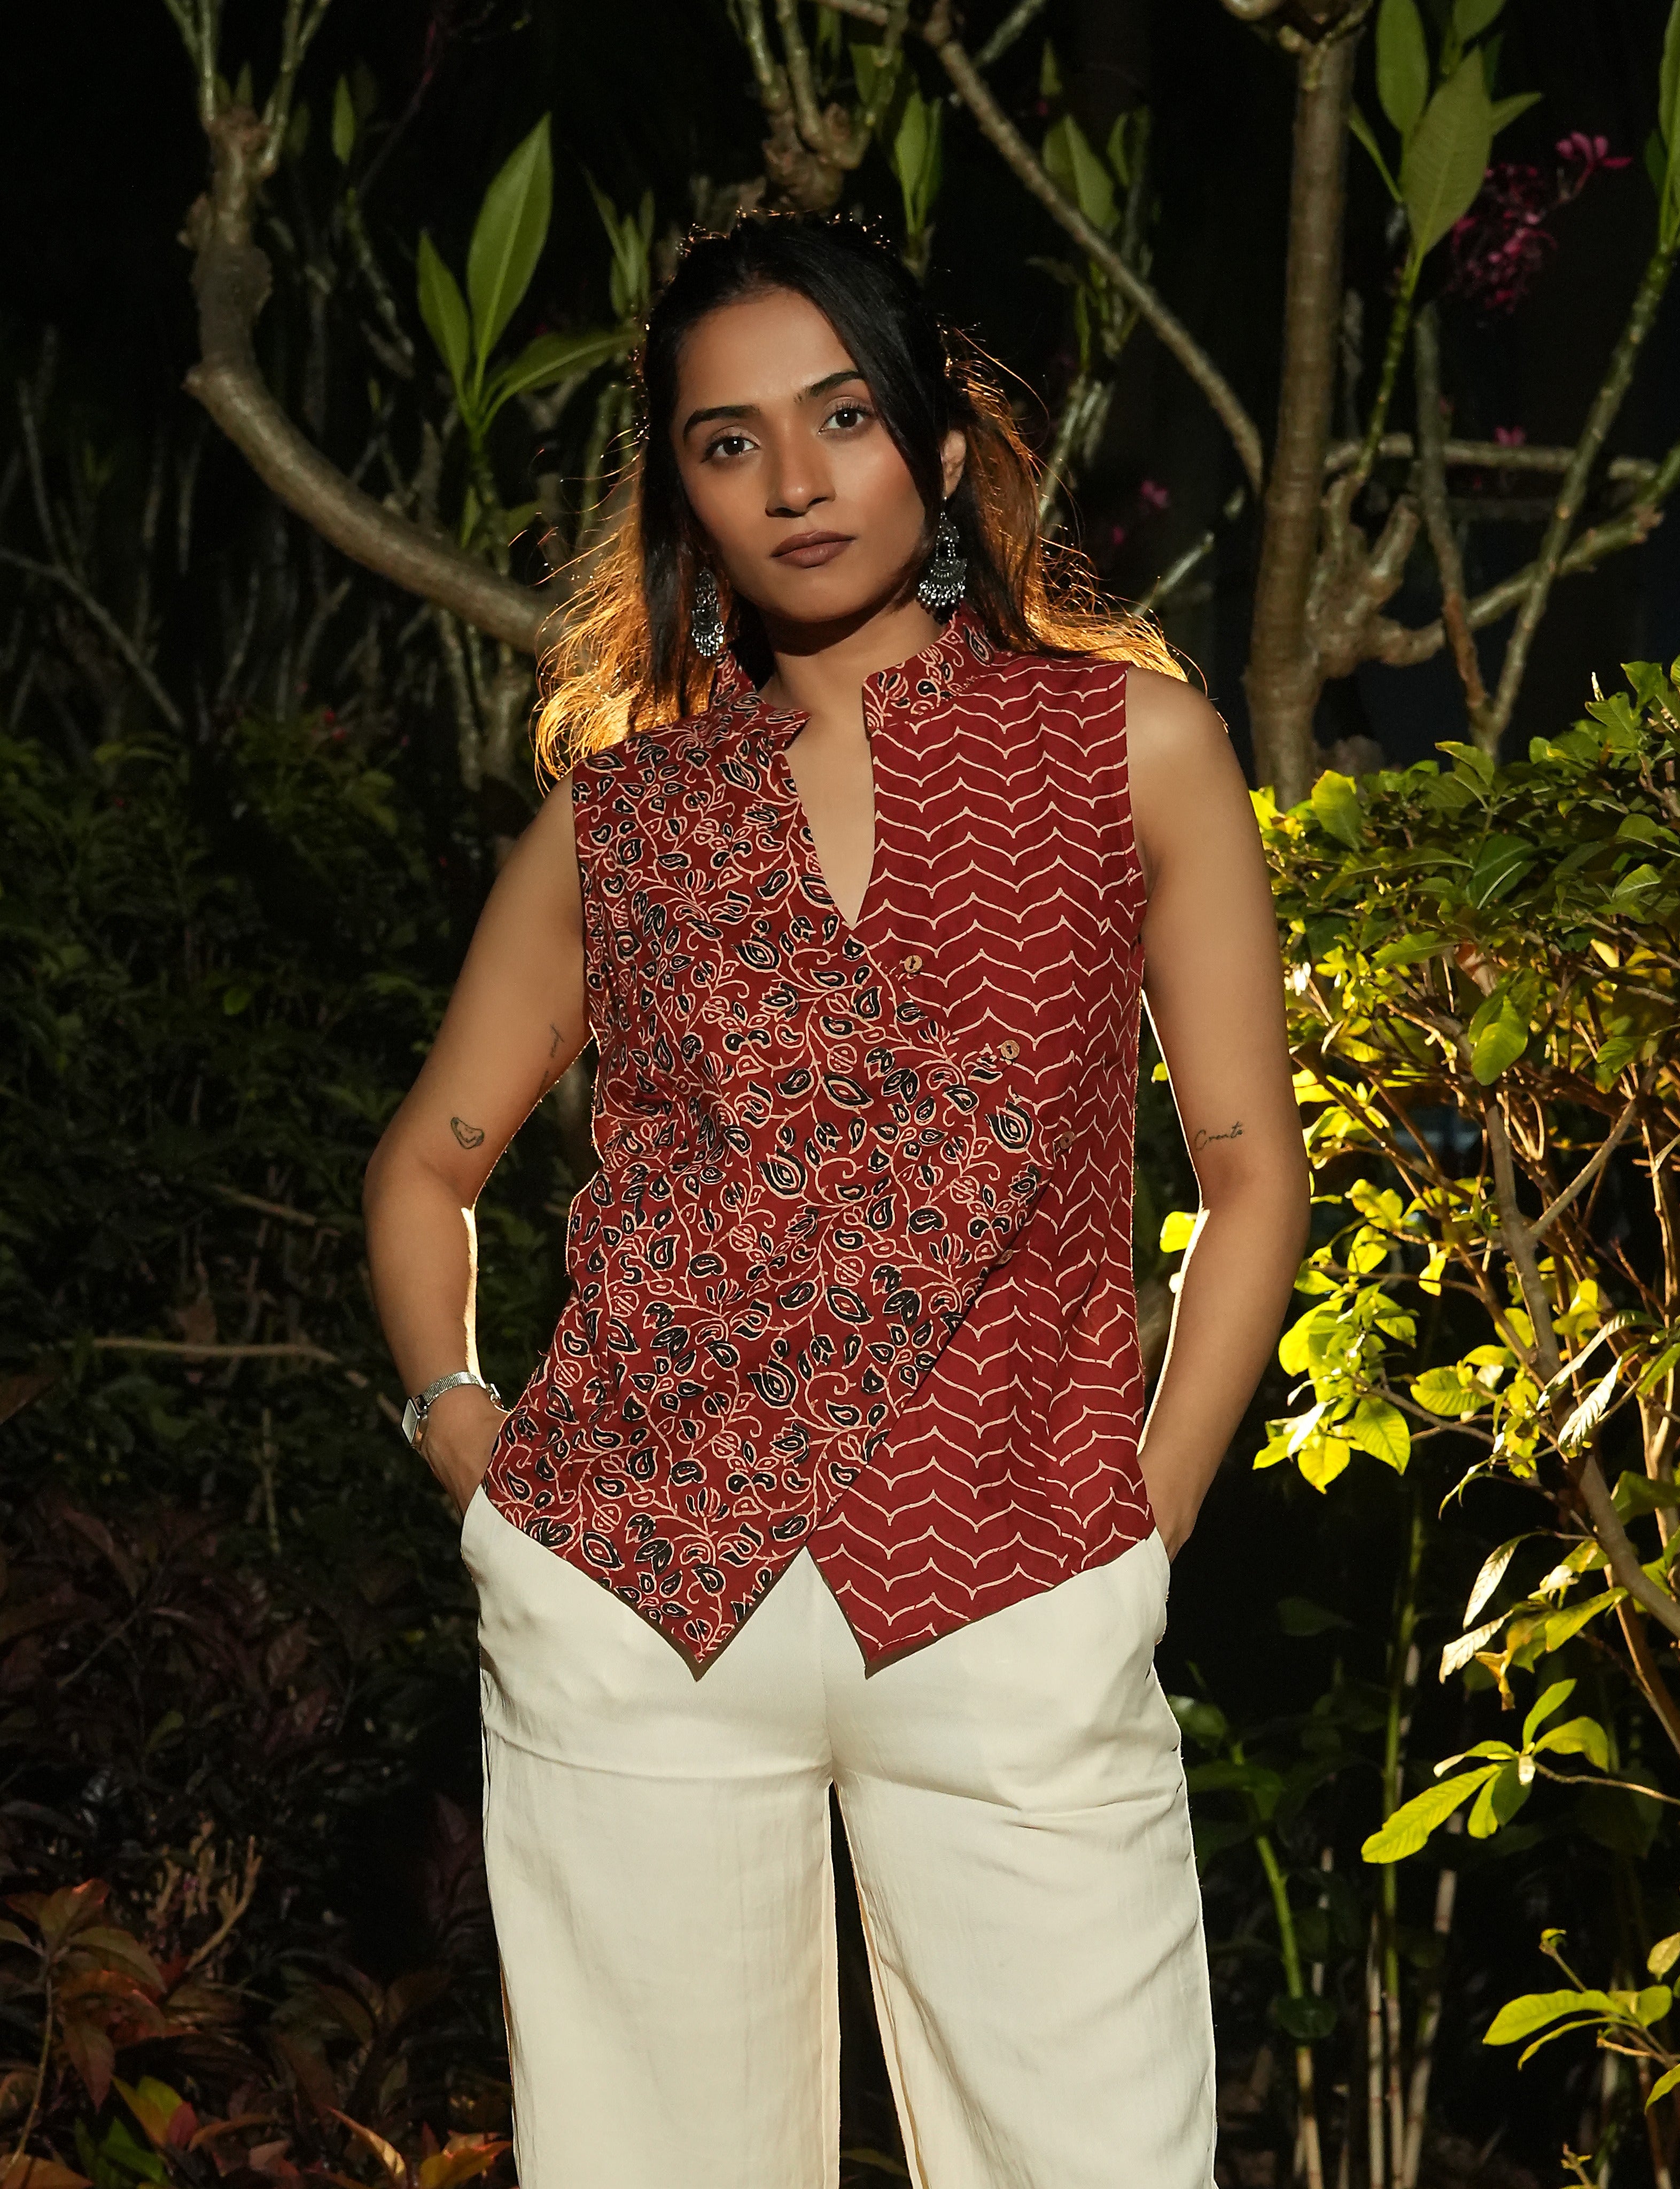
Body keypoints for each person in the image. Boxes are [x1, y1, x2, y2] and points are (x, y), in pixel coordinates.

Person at [363, 213, 1309, 2189]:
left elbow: (1245, 1173)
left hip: (1018, 1574)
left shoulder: (1132, 748)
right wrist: (464, 1429)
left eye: (844, 418)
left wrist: (1150, 1516)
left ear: (942, 451)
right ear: (682, 494)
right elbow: (432, 1161)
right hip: (637, 1585)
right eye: (728, 442)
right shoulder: (625, 812)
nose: (795, 484)